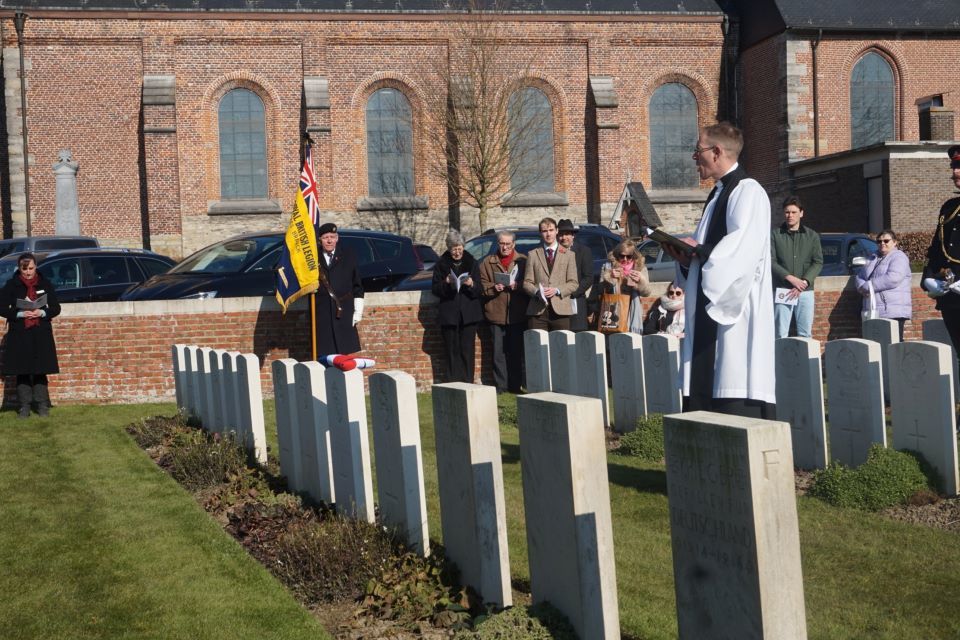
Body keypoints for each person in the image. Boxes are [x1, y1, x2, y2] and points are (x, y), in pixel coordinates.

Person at [662, 122, 776, 419]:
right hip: (706, 313)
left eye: (697, 151)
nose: (694, 158)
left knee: (731, 378)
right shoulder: (717, 195)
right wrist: (687, 259)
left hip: (734, 317)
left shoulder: (748, 192)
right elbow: (712, 254)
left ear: (716, 152)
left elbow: (741, 251)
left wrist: (698, 251)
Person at [0, 253, 61, 417]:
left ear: (36, 267)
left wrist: (42, 312)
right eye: (24, 269)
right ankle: (24, 407)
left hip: (41, 333)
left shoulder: (45, 284)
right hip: (20, 333)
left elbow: (56, 308)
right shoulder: (11, 285)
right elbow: (2, 307)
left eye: (31, 268)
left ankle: (42, 406)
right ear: (19, 268)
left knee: (40, 370)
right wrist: (20, 314)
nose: (28, 272)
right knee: (23, 371)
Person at [921, 145, 960, 358]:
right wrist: (928, 277)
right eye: (954, 166)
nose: (955, 171)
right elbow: (936, 248)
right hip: (950, 297)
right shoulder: (949, 207)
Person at [479, 231, 527, 393]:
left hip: (517, 314)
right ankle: (501, 386)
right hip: (495, 313)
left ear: (514, 244)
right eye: (502, 244)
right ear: (498, 244)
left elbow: (530, 283)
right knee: (497, 353)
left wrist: (518, 286)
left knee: (515, 352)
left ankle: (515, 385)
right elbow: (481, 285)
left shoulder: (523, 261)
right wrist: (494, 287)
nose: (505, 247)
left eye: (508, 244)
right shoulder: (487, 262)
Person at [432, 230, 483, 383]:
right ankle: (452, 382)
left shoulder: (472, 262)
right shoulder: (441, 264)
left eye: (459, 248)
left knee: (467, 350)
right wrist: (446, 283)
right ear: (448, 248)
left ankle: (467, 381)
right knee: (451, 350)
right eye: (454, 249)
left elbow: (480, 289)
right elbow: (435, 289)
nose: (457, 252)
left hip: (468, 314)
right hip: (450, 314)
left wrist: (471, 283)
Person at [770, 195, 823, 338]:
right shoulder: (774, 235)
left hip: (805, 291)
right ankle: (781, 361)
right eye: (787, 212)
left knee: (805, 333)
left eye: (793, 212)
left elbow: (817, 262)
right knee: (780, 333)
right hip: (783, 289)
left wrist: (804, 282)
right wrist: (791, 279)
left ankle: (805, 361)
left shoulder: (812, 236)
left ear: (801, 213)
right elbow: (771, 261)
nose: (790, 215)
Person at [315, 223, 364, 356]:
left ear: (337, 238)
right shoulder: (313, 258)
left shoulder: (348, 255)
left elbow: (357, 285)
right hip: (322, 313)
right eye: (326, 237)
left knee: (345, 356)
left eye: (332, 237)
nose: (329, 240)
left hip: (344, 312)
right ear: (320, 239)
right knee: (325, 355)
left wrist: (358, 311)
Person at [523, 217, 578, 331]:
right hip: (538, 311)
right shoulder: (533, 254)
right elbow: (527, 283)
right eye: (544, 231)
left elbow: (573, 283)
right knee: (538, 347)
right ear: (540, 233)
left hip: (561, 310)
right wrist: (537, 291)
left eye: (551, 230)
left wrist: (557, 290)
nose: (548, 234)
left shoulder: (569, 255)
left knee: (561, 347)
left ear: (557, 231)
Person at [856, 229, 912, 341]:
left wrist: (869, 286)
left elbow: (893, 278)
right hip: (873, 309)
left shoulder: (899, 257)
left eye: (886, 241)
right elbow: (860, 276)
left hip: (893, 310)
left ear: (895, 242)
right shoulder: (873, 258)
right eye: (879, 241)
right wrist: (862, 287)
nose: (882, 243)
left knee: (894, 342)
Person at [600, 239, 651, 333]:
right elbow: (600, 289)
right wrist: (610, 278)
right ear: (617, 254)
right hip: (614, 308)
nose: (625, 259)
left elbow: (647, 293)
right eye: (622, 256)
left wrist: (639, 282)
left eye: (629, 256)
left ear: (634, 255)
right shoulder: (608, 266)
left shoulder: (640, 268)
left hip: (632, 308)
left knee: (632, 339)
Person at [557, 219, 593, 332]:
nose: (564, 238)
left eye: (567, 234)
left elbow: (588, 278)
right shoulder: (554, 252)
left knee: (578, 335)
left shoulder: (584, 251)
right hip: (557, 301)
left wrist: (571, 292)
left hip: (576, 299)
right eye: (561, 234)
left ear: (573, 235)